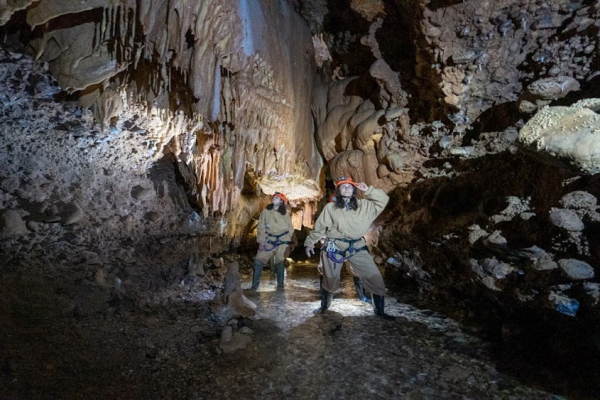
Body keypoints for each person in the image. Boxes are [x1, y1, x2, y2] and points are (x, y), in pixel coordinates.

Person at [305, 177, 395, 320]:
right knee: (330, 279)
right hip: (335, 246)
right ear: (339, 191)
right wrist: (310, 242)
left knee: (375, 277)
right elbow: (320, 227)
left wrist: (369, 190)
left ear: (354, 190)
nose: (346, 188)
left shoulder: (365, 206)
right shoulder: (331, 208)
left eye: (349, 186)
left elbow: (383, 200)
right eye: (343, 186)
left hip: (357, 246)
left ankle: (379, 311)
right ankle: (324, 306)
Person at [251, 192, 296, 291]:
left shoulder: (285, 214)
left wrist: (293, 242)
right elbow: (261, 227)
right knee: (258, 260)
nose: (274, 199)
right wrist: (261, 241)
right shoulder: (266, 212)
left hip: (282, 240)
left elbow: (290, 229)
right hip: (269, 239)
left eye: (277, 198)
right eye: (274, 197)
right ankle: (254, 286)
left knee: (280, 261)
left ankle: (280, 286)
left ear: (281, 201)